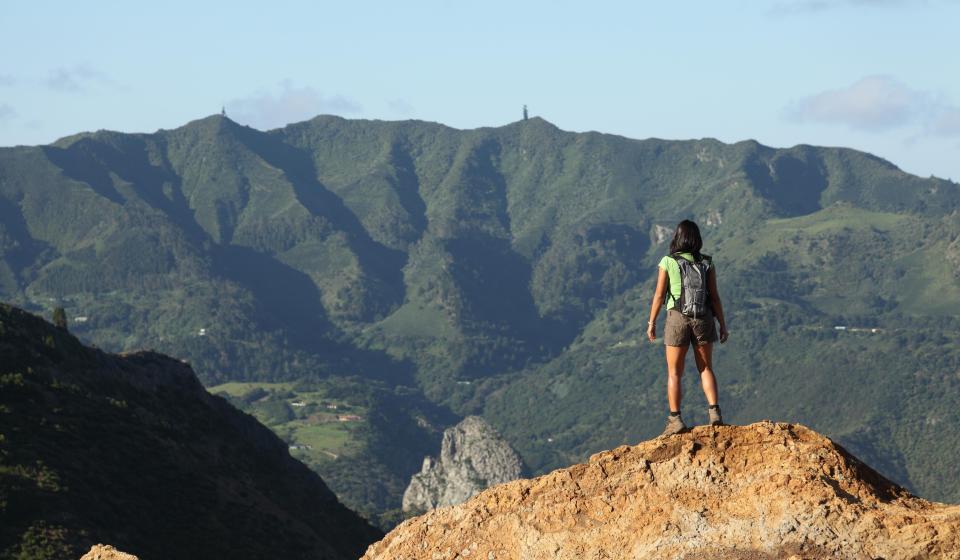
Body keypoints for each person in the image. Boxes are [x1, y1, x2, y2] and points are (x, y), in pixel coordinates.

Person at [646, 220, 729, 436]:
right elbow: (715, 297)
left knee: (674, 372)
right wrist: (722, 324)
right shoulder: (707, 262)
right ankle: (715, 414)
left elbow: (659, 295)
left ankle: (675, 420)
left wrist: (652, 322)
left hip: (677, 318)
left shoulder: (668, 261)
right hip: (703, 318)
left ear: (678, 237)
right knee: (706, 368)